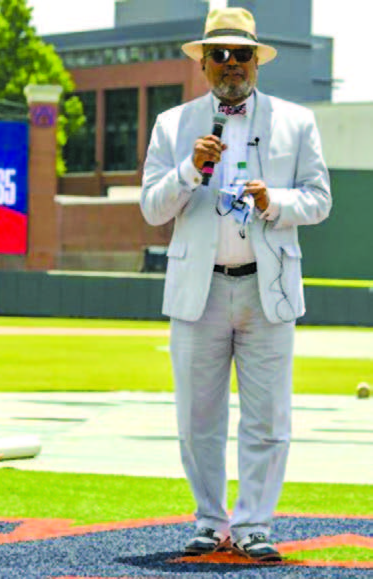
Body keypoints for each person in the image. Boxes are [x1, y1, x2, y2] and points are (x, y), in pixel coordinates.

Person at [140, 7, 331, 562]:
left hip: (265, 287)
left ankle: (253, 524)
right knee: (197, 416)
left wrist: (277, 201)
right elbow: (152, 209)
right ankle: (209, 520)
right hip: (198, 290)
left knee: (269, 417)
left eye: (240, 54)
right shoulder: (173, 125)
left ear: (257, 60)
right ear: (201, 63)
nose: (230, 65)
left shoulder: (296, 122)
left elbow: (320, 200)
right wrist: (186, 171)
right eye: (218, 54)